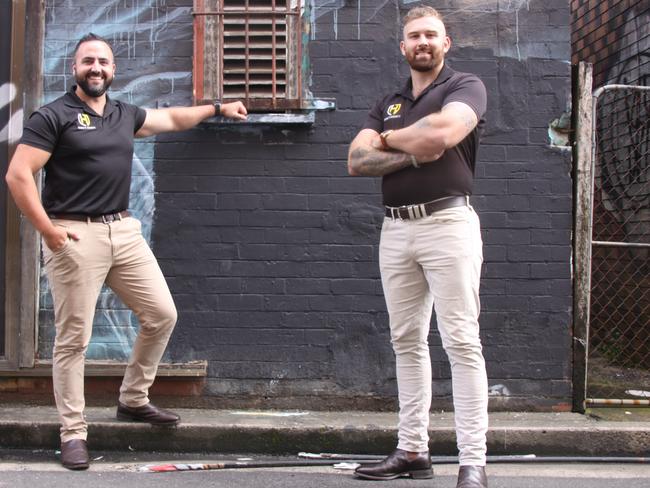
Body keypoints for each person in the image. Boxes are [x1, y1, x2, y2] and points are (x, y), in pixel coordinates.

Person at [5, 33, 247, 471]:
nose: (95, 68)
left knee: (161, 314)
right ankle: (73, 432)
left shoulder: (123, 113)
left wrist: (217, 109)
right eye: (87, 61)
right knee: (73, 340)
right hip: (75, 235)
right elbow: (19, 175)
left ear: (113, 70)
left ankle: (133, 399)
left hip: (124, 231)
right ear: (75, 69)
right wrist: (49, 232)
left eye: (103, 62)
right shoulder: (53, 116)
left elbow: (172, 119)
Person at [347, 6, 488, 488]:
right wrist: (409, 143)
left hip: (448, 222)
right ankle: (412, 451)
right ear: (402, 47)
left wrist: (387, 143)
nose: (422, 42)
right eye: (413, 36)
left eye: (431, 34)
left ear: (446, 43)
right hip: (396, 230)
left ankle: (473, 462)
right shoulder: (389, 100)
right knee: (406, 341)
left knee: (461, 342)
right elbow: (356, 160)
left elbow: (444, 134)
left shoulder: (464, 86)